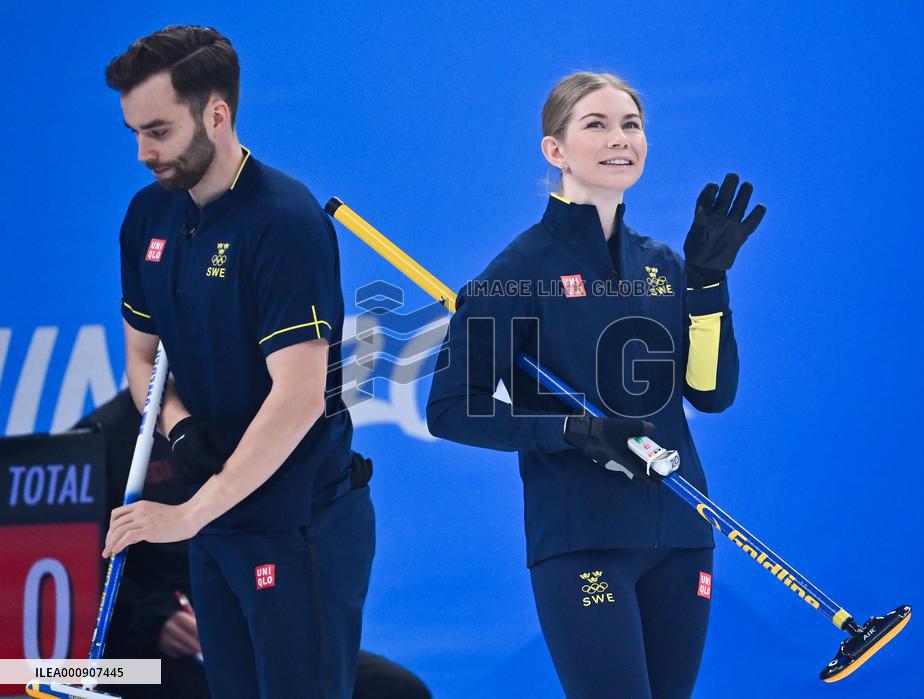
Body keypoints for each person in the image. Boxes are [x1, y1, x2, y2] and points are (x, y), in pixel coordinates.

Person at [426, 72, 765, 698]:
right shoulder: (517, 272)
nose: (620, 139)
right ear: (554, 151)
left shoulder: (664, 263)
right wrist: (572, 430)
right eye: (596, 124)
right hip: (583, 539)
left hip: (681, 532)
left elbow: (711, 393)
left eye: (631, 125)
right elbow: (450, 410)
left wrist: (709, 283)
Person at [101, 26, 375, 698]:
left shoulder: (283, 221)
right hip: (217, 524)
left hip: (297, 524)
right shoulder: (146, 217)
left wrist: (189, 512)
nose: (143, 152)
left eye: (159, 130)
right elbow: (142, 358)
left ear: (216, 114)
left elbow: (299, 396)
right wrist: (178, 426)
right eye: (134, 132)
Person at [77, 391, 431, 699]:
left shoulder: (252, 415)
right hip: (149, 655)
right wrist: (154, 618)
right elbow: (80, 568)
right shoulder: (103, 437)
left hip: (257, 622)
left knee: (394, 689)